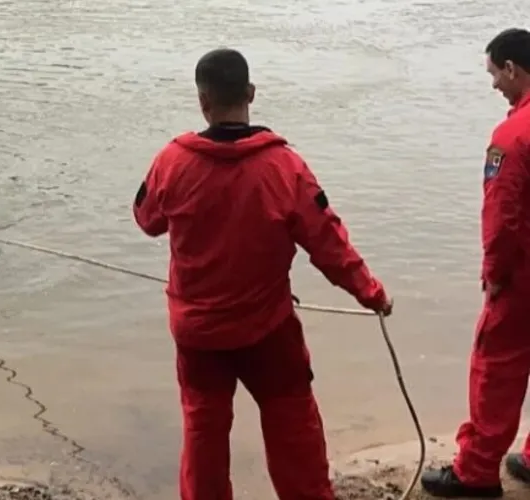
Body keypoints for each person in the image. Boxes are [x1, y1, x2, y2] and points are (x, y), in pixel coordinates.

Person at [132, 47, 393, 500]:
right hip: (268, 329)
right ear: (251, 93)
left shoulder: (172, 161)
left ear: (202, 101)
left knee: (203, 431)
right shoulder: (285, 167)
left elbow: (146, 219)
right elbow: (328, 243)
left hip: (198, 334)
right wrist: (371, 294)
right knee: (293, 425)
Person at [420, 28, 530, 499]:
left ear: (512, 68)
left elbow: (501, 219)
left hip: (524, 276)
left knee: (496, 368)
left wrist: (495, 276)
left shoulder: (512, 136)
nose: (493, 86)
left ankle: (476, 471)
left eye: (494, 74)